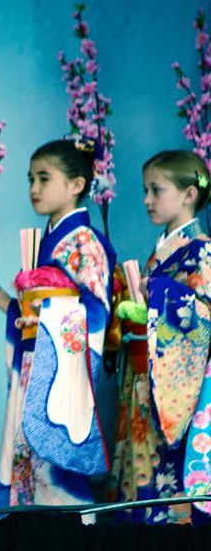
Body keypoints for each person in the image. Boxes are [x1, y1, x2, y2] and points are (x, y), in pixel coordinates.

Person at [0, 139, 116, 508]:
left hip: (59, 378)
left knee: (56, 476)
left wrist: (48, 312)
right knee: (25, 470)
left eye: (44, 178)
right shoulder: (48, 242)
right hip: (34, 370)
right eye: (30, 179)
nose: (34, 189)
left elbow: (97, 313)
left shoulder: (84, 243)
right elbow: (30, 318)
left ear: (76, 185)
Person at [109, 150, 211, 524]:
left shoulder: (202, 251)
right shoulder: (164, 250)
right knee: (136, 476)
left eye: (156, 190)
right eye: (145, 190)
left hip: (171, 387)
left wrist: (162, 295)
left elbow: (205, 317)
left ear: (188, 195)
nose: (147, 200)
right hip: (141, 379)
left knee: (164, 477)